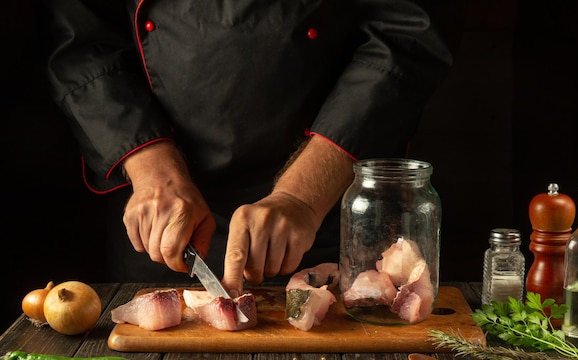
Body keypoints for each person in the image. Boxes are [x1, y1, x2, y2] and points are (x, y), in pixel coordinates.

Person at [32, 0, 453, 296]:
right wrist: (154, 173)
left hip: (328, 209)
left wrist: (301, 197)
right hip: (158, 211)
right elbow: (79, 38)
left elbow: (406, 34)